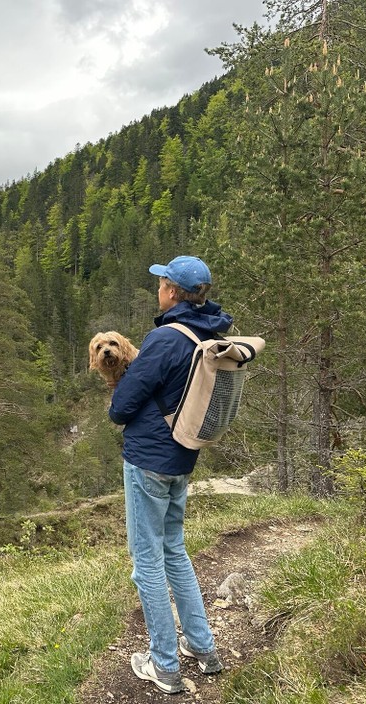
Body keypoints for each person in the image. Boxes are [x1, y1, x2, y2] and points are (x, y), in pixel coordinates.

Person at [108, 255, 229, 694]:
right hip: (183, 459)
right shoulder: (209, 334)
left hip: (148, 461)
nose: (158, 288)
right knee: (174, 551)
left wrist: (117, 402)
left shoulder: (165, 339)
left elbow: (122, 407)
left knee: (147, 563)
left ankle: (164, 664)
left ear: (173, 293)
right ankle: (203, 647)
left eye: (161, 282)